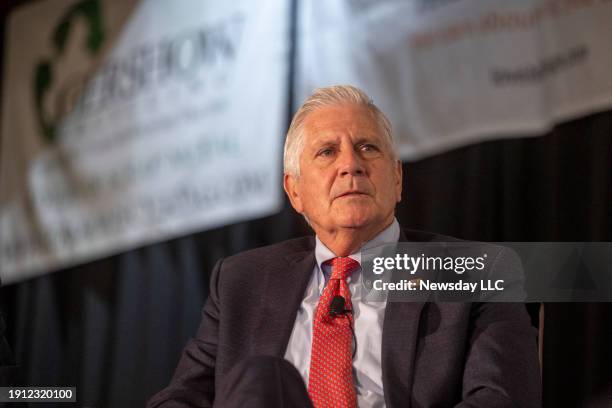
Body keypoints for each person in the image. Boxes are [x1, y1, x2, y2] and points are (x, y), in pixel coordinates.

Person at [148, 85, 541, 407]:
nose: (351, 164)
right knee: (264, 379)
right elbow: (182, 398)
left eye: (368, 147)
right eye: (327, 152)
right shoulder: (241, 281)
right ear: (295, 191)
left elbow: (501, 400)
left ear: (398, 179)